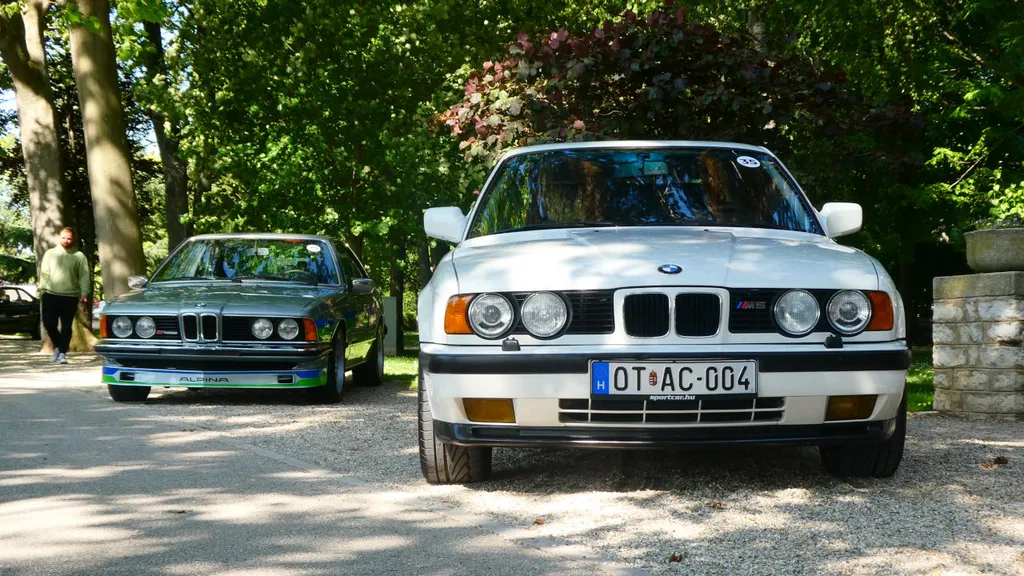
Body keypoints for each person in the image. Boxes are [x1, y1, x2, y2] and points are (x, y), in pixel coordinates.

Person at [38, 227, 90, 364]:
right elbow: (44, 273)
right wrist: (42, 289)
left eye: (69, 238)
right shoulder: (50, 254)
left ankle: (62, 353)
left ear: (73, 239)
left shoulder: (79, 256)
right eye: (63, 237)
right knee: (49, 323)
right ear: (59, 237)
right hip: (50, 294)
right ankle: (59, 346)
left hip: (70, 296)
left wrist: (84, 292)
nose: (66, 241)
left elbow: (84, 276)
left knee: (66, 326)